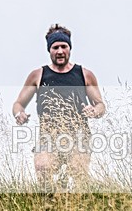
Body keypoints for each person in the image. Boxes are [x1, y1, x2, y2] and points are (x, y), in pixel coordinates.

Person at [12, 24, 105, 188]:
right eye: (55, 47)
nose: (60, 51)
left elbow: (100, 105)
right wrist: (19, 114)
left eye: (64, 46)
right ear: (49, 50)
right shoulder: (38, 75)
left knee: (78, 173)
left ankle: (79, 208)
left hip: (79, 135)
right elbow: (18, 103)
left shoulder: (84, 74)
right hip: (48, 135)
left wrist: (94, 110)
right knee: (42, 168)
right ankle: (50, 207)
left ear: (70, 48)